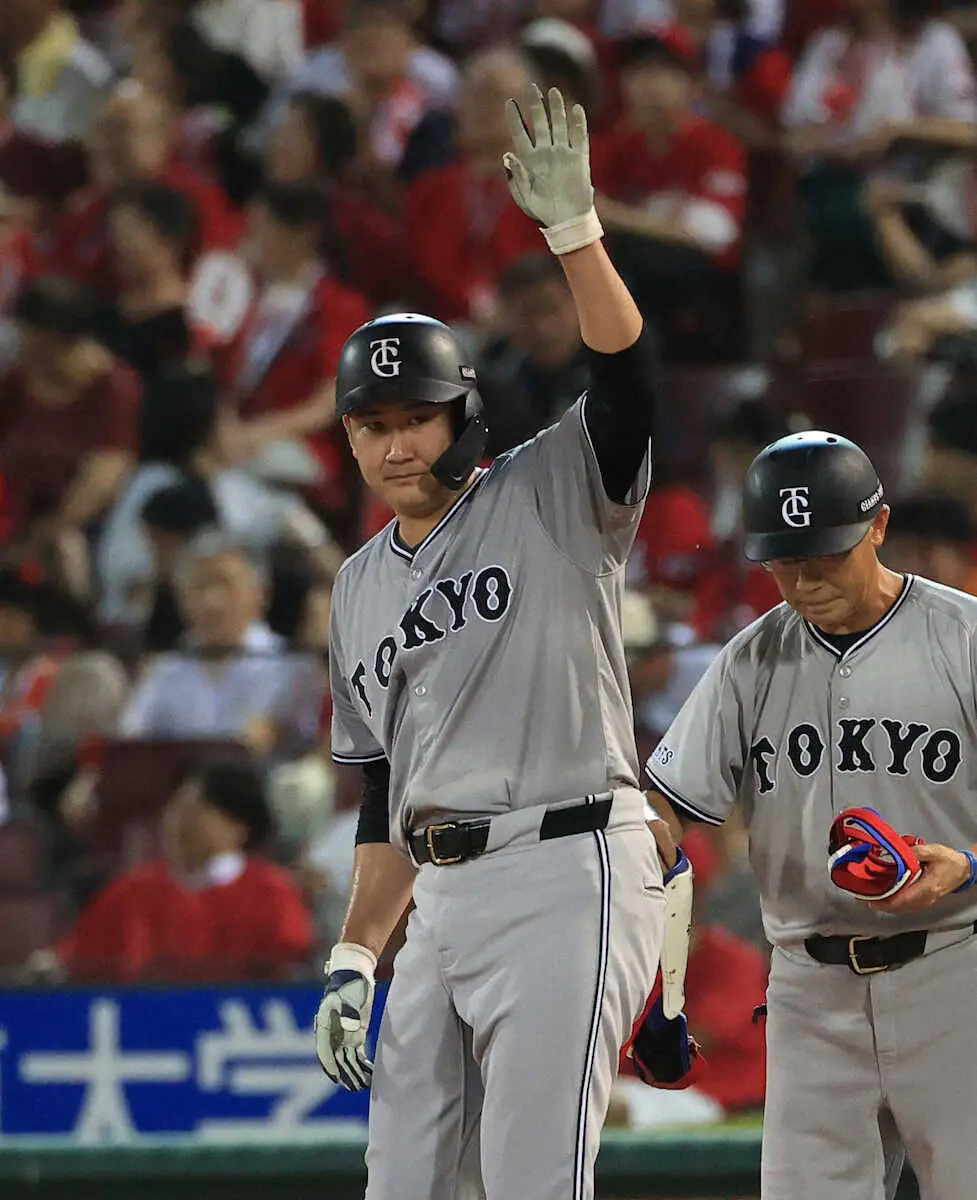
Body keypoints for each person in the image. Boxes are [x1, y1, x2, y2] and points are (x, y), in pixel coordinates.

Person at [314, 86, 665, 1199]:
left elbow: (625, 384)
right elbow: (380, 793)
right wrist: (356, 952)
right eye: (369, 425)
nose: (391, 443)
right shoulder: (358, 585)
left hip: (569, 862)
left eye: (412, 416)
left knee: (530, 1183)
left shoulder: (552, 487)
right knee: (404, 1184)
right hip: (440, 895)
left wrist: (574, 237)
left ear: (460, 414)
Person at [646, 429, 977, 1198]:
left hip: (953, 969)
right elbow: (665, 810)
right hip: (807, 988)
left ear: (878, 527)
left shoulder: (963, 639)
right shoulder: (748, 659)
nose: (801, 579)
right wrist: (642, 949)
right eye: (782, 559)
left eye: (824, 553)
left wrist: (967, 868)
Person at [58, 755, 312, 982]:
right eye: (175, 809)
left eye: (196, 811)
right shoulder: (131, 891)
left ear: (239, 826)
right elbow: (80, 961)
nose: (179, 822)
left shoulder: (272, 893)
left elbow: (288, 969)